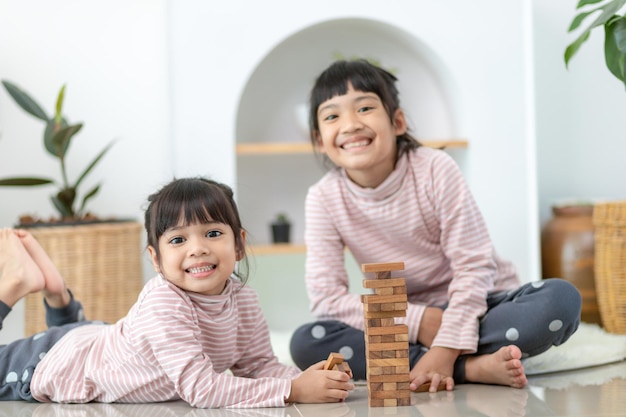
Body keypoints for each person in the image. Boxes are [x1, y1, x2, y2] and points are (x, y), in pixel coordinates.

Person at [289, 59, 582, 392]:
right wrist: (418, 322)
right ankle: (471, 367)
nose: (351, 124)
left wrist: (445, 343)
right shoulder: (323, 197)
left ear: (397, 121)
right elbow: (327, 298)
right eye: (332, 116)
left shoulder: (434, 168)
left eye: (365, 108)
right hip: (406, 319)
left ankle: (444, 358)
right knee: (306, 342)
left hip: (478, 305)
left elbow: (474, 265)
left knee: (560, 300)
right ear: (319, 140)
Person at [0, 177, 354, 408]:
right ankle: (14, 287)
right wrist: (293, 391)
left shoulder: (244, 299)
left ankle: (56, 293)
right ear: (156, 258)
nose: (197, 249)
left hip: (98, 341)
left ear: (240, 244)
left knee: (81, 333)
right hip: (51, 363)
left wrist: (307, 377)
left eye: (213, 233)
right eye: (178, 240)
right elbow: (201, 390)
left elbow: (258, 366)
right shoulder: (163, 301)